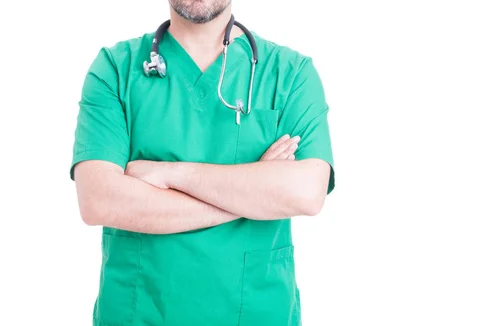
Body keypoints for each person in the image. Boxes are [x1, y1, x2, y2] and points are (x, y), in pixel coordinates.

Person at [70, 0, 335, 325]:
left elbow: (307, 193)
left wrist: (170, 174)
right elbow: (99, 200)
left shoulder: (290, 74)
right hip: (139, 315)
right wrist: (253, 194)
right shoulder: (115, 69)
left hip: (257, 314)